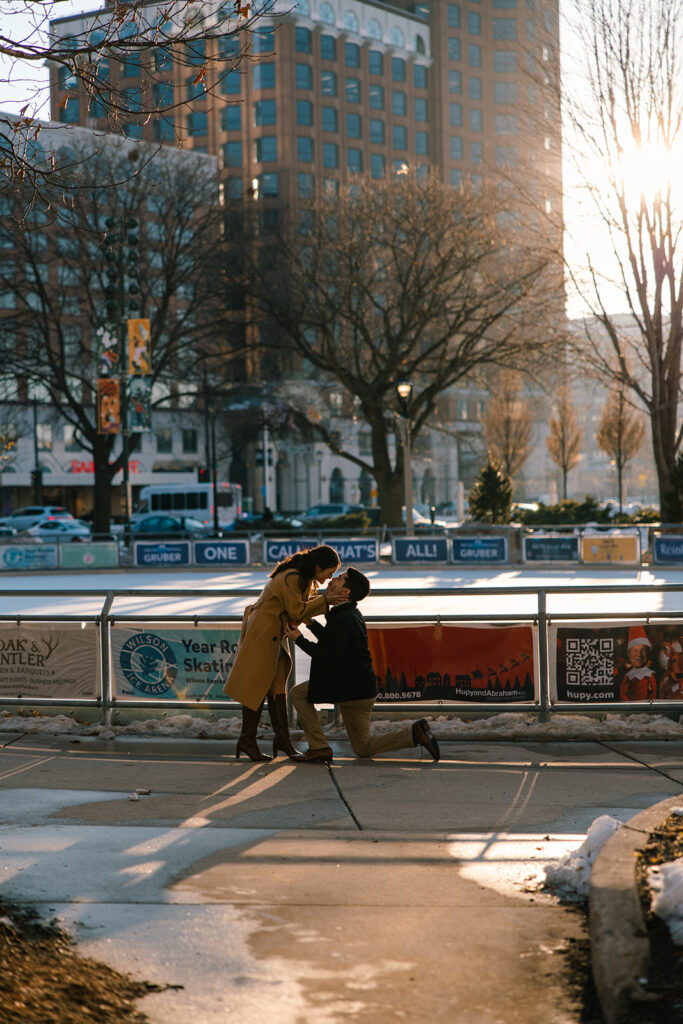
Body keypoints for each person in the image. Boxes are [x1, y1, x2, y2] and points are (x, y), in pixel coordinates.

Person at [288, 567, 440, 764]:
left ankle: (319, 748)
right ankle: (414, 734)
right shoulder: (348, 613)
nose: (332, 580)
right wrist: (310, 623)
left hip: (348, 687)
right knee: (362, 748)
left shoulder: (342, 618)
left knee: (298, 693)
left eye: (340, 579)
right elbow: (332, 641)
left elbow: (329, 656)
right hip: (361, 689)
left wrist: (298, 639)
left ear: (345, 592)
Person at [223, 544, 342, 762]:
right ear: (318, 567)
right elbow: (297, 610)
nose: (329, 578)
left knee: (277, 687)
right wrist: (326, 600)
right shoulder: (292, 577)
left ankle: (282, 740)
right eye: (329, 572)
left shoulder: (301, 577)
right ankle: (249, 740)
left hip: (275, 634)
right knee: (256, 686)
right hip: (263, 633)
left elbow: (298, 608)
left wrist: (322, 603)